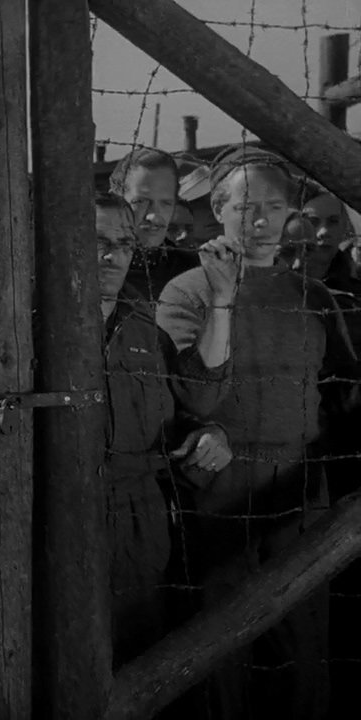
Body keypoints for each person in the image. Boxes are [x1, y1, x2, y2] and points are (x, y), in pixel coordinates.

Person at [157, 146, 361, 720]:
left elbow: (345, 395)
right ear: (218, 209)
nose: (261, 220)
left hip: (300, 488)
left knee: (302, 644)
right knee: (221, 647)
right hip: (221, 489)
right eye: (246, 206)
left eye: (274, 206)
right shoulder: (187, 292)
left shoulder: (314, 297)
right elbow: (193, 398)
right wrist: (223, 299)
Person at [88, 191, 237, 671]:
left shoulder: (143, 329)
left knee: (136, 657)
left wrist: (210, 433)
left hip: (138, 527)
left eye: (124, 243)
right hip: (51, 518)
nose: (112, 256)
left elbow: (187, 409)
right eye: (96, 241)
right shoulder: (19, 326)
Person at [110, 147, 200, 301]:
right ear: (115, 200)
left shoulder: (193, 270)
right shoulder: (94, 269)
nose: (154, 216)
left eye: (166, 203)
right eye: (141, 201)